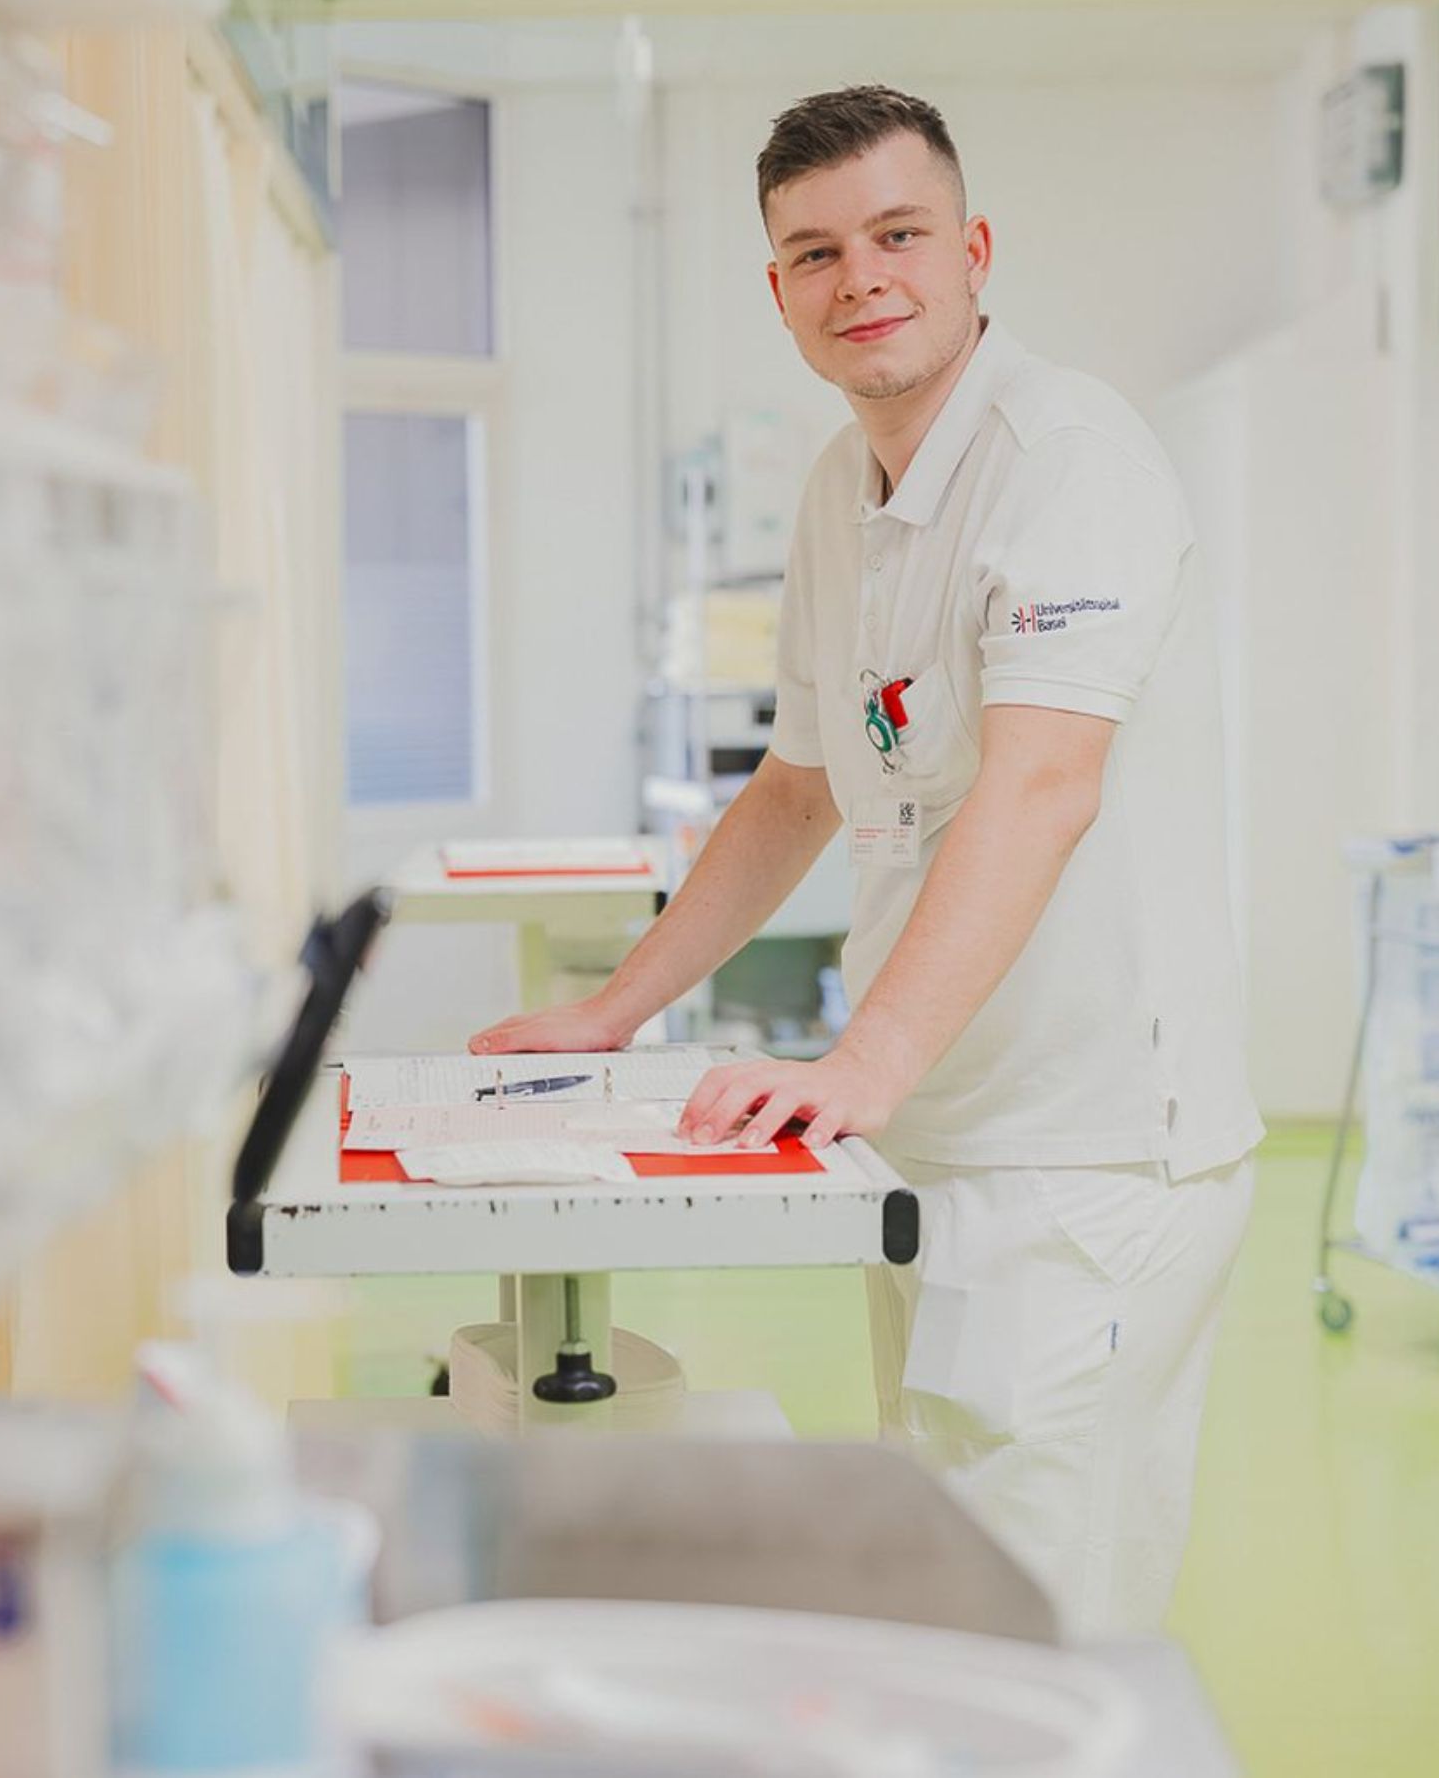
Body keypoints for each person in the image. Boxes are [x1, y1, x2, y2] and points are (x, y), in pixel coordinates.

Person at [469, 85, 1263, 1637]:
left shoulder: (1069, 461)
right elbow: (797, 789)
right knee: (949, 1587)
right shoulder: (847, 489)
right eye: (818, 252)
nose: (863, 279)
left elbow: (1043, 785)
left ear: (973, 251)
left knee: (1043, 1625)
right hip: (935, 1141)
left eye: (899, 235)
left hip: (1089, 1156)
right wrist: (614, 1011)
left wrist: (864, 1059)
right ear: (779, 291)